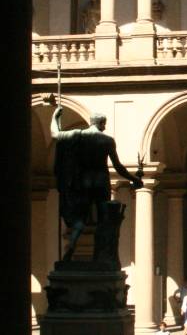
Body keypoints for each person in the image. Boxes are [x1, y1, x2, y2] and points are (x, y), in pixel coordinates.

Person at [50, 106, 143, 267]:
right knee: (103, 220)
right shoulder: (107, 140)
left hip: (83, 182)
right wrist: (134, 178)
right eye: (104, 124)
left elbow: (55, 134)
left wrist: (55, 116)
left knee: (80, 219)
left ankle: (71, 248)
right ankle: (102, 257)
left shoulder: (77, 135)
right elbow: (118, 166)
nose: (105, 127)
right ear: (100, 123)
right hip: (101, 182)